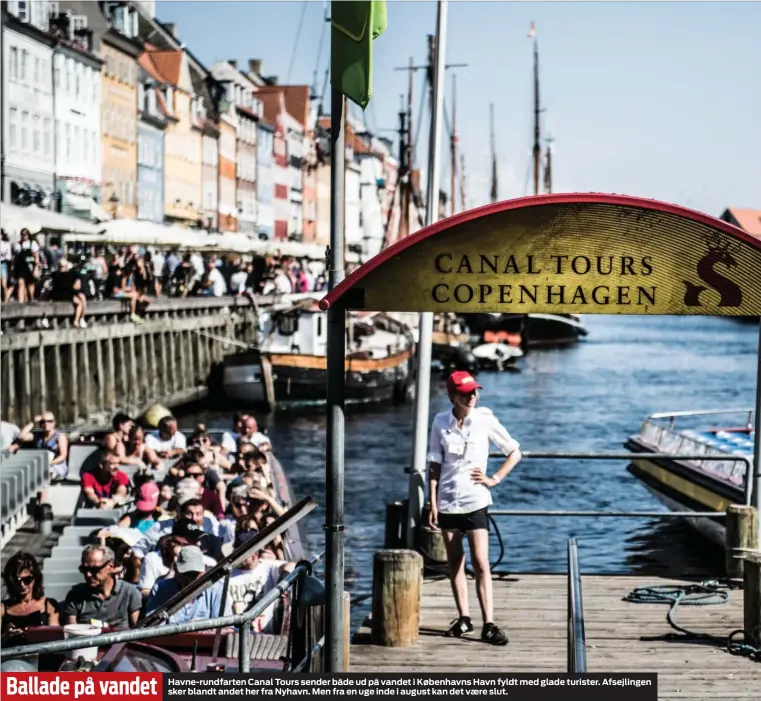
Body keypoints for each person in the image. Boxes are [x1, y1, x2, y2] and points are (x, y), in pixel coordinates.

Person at [427, 371, 521, 646]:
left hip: (476, 501)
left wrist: (494, 479)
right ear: (453, 396)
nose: (473, 396)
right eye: (467, 393)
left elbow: (514, 451)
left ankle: (489, 624)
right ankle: (464, 618)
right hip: (447, 501)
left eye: (475, 392)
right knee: (455, 561)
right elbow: (434, 464)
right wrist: (432, 502)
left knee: (481, 562)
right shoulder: (440, 422)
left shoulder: (485, 419)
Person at [228, 531, 295, 633]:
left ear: (254, 554)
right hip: (237, 635)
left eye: (241, 553)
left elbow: (292, 565)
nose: (236, 555)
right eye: (236, 551)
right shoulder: (229, 574)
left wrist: (283, 579)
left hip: (266, 635)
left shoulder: (267, 567)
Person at [62, 545, 141, 629]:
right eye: (84, 569)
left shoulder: (129, 592)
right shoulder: (75, 596)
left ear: (110, 566)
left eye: (94, 569)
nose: (88, 574)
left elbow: (136, 630)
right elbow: (71, 632)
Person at [146, 546, 231, 624]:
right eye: (186, 574)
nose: (190, 580)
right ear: (176, 570)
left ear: (203, 570)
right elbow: (153, 630)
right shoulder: (160, 589)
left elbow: (224, 628)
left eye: (194, 574)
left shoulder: (217, 590)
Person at [1, 552, 59, 646]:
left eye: (27, 580)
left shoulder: (49, 606)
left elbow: (56, 642)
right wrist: (7, 636)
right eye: (17, 580)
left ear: (35, 578)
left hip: (42, 657)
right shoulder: (3, 608)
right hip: (12, 658)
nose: (22, 585)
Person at [15, 412, 69, 479]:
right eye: (43, 421)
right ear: (40, 423)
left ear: (54, 423)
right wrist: (32, 422)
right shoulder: (37, 435)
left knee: (43, 473)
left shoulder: (60, 436)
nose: (46, 423)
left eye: (49, 421)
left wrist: (49, 463)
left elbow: (63, 456)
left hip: (56, 466)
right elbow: (21, 437)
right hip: (39, 466)